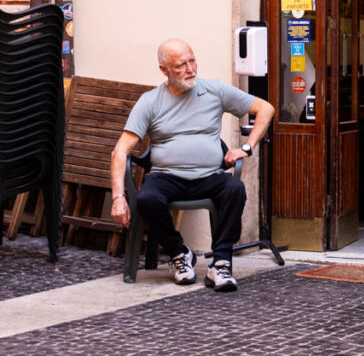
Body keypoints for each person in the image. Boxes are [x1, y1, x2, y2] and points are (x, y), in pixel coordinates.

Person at [110, 38, 274, 292]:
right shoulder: (150, 101)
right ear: (164, 70)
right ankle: (180, 254)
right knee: (146, 199)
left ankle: (220, 262)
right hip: (166, 177)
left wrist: (246, 148)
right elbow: (120, 151)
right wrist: (118, 197)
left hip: (209, 176)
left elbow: (265, 109)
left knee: (235, 190)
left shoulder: (215, 91)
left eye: (192, 60)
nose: (190, 69)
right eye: (181, 65)